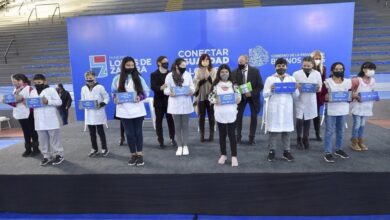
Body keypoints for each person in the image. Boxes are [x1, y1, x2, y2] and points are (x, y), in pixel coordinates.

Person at [111, 56, 150, 166]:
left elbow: (146, 91)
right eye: (128, 65)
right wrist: (115, 99)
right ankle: (133, 154)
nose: (130, 67)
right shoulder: (117, 78)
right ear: (123, 66)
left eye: (132, 65)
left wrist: (140, 97)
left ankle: (140, 154)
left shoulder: (139, 77)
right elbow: (113, 92)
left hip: (137, 109)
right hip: (123, 110)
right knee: (129, 133)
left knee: (138, 132)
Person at [263, 58, 298, 162]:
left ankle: (286, 152)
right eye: (279, 66)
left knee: (286, 132)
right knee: (273, 132)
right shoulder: (270, 79)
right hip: (274, 109)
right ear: (275, 67)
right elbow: (264, 94)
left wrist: (296, 89)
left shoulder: (291, 79)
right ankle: (272, 151)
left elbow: (296, 97)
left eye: (283, 66)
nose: (281, 67)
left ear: (286, 67)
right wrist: (271, 90)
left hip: (287, 109)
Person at [208, 64, 241, 166]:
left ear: (229, 73)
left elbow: (239, 96)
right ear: (219, 73)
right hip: (220, 113)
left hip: (231, 113)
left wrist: (238, 99)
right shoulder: (215, 85)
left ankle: (234, 156)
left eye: (226, 72)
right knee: (222, 135)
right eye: (222, 72)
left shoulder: (234, 85)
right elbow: (210, 97)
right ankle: (223, 154)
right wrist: (215, 100)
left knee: (232, 135)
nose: (224, 74)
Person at [30, 74, 64, 166]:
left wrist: (48, 102)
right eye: (35, 83)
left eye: (39, 82)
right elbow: (31, 103)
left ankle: (58, 155)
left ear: (44, 81)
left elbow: (59, 102)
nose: (37, 84)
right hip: (39, 120)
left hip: (51, 119)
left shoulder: (51, 90)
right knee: (42, 140)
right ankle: (46, 156)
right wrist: (28, 104)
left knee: (54, 139)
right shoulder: (32, 92)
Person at [164, 58, 195, 156]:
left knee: (185, 125)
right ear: (177, 66)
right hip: (175, 103)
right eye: (182, 66)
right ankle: (179, 146)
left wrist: (191, 91)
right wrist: (170, 92)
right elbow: (165, 89)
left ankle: (185, 145)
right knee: (177, 126)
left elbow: (192, 87)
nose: (184, 68)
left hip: (186, 102)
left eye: (185, 67)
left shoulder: (188, 75)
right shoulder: (169, 76)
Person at [322, 62, 351, 163]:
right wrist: (325, 97)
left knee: (341, 131)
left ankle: (339, 149)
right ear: (332, 70)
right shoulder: (327, 82)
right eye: (337, 69)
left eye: (341, 69)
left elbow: (350, 96)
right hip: (331, 110)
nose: (339, 71)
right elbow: (322, 96)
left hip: (343, 110)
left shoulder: (348, 82)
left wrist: (352, 96)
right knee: (329, 132)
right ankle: (327, 152)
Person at [5, 74, 39, 157]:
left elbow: (35, 101)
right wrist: (9, 101)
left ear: (21, 80)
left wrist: (22, 99)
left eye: (16, 81)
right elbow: (14, 103)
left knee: (32, 131)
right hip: (19, 113)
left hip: (29, 113)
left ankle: (36, 149)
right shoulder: (15, 90)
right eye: (13, 81)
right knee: (25, 132)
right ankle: (28, 149)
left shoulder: (29, 89)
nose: (14, 83)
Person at [232, 55, 263, 145]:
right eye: (238, 62)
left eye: (241, 62)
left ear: (247, 61)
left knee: (254, 116)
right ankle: (238, 137)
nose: (239, 64)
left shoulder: (255, 71)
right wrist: (236, 88)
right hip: (241, 97)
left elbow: (260, 85)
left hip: (253, 97)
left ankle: (251, 138)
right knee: (238, 116)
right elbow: (233, 85)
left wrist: (251, 93)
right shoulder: (234, 72)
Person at [293, 56, 322, 149]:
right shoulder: (296, 74)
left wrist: (318, 88)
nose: (306, 67)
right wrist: (296, 87)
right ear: (302, 64)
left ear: (312, 65)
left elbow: (319, 87)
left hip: (310, 99)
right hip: (300, 99)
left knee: (308, 119)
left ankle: (305, 138)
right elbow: (293, 87)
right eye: (304, 65)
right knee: (299, 119)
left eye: (308, 65)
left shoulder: (317, 74)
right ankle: (298, 138)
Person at [81, 71, 110, 157]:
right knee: (91, 133)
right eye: (87, 78)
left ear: (94, 77)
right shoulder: (83, 88)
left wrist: (101, 104)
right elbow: (83, 99)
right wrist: (83, 104)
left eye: (91, 78)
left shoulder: (100, 87)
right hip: (89, 114)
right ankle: (94, 149)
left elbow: (107, 98)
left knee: (100, 132)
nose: (89, 79)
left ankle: (104, 148)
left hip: (98, 113)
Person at [350, 62, 377, 151]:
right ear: (363, 69)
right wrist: (357, 97)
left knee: (362, 124)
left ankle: (360, 141)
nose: (372, 71)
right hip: (357, 105)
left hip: (367, 106)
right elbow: (350, 92)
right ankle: (354, 142)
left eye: (373, 69)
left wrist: (375, 96)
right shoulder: (356, 80)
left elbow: (372, 91)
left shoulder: (373, 80)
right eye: (370, 69)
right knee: (357, 124)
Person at [150, 56, 176, 148]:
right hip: (159, 101)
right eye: (164, 62)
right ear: (159, 63)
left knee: (170, 121)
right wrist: (161, 87)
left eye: (167, 62)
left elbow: (174, 85)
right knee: (159, 121)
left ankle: (172, 138)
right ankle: (160, 140)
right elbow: (153, 87)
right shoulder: (154, 74)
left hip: (169, 101)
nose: (166, 64)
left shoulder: (171, 73)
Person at [194, 54, 216, 142]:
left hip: (210, 95)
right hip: (201, 96)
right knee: (201, 116)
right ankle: (202, 135)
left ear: (209, 61)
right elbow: (195, 81)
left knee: (211, 116)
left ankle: (211, 135)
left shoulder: (213, 70)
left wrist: (208, 75)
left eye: (207, 60)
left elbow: (214, 82)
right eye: (204, 60)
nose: (206, 61)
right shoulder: (198, 70)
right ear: (201, 61)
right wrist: (203, 79)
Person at [311, 50, 327, 141]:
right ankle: (305, 134)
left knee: (316, 114)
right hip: (308, 94)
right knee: (306, 115)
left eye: (319, 58)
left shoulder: (323, 68)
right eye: (315, 58)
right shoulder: (307, 67)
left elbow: (323, 81)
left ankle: (317, 133)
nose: (317, 60)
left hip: (318, 94)